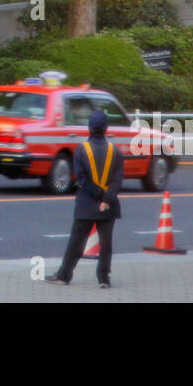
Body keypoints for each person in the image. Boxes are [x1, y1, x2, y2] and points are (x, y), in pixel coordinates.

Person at [46, 111, 123, 288]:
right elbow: (117, 180)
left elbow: (82, 179)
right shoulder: (115, 151)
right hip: (108, 205)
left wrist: (99, 195)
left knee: (77, 240)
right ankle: (104, 278)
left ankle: (64, 274)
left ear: (89, 128)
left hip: (86, 204)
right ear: (106, 128)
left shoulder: (81, 150)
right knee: (106, 242)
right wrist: (107, 198)